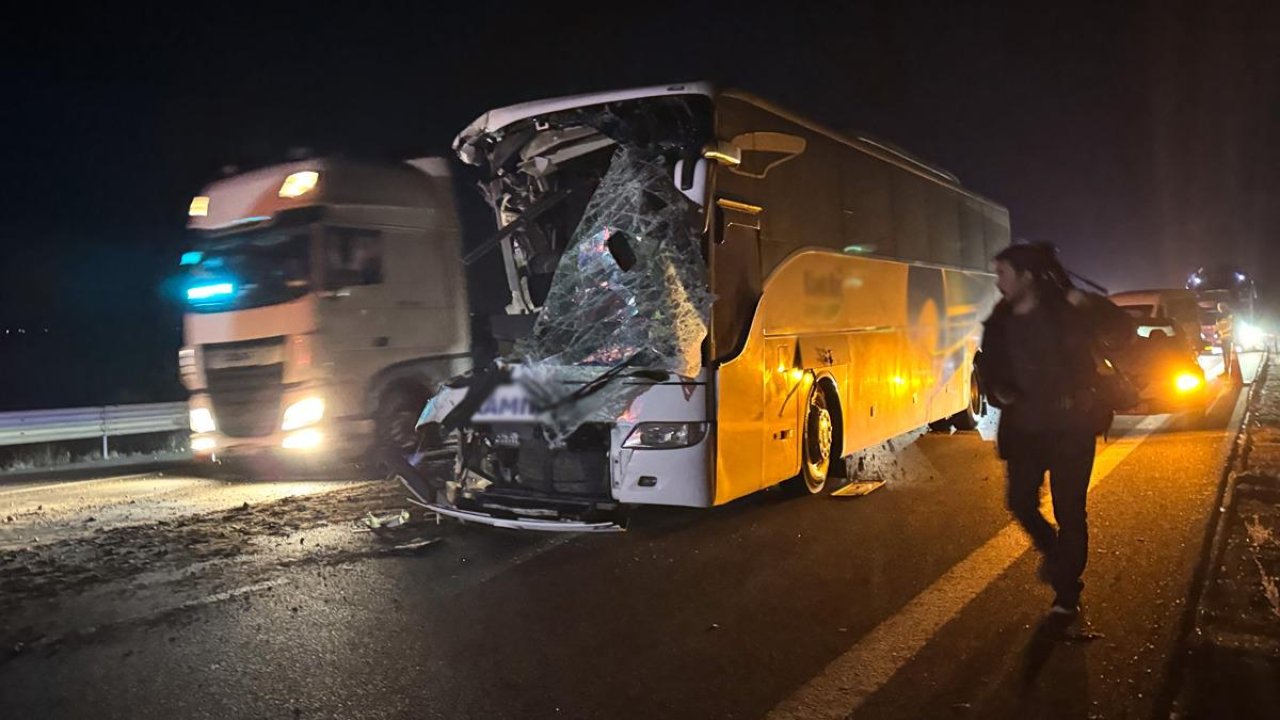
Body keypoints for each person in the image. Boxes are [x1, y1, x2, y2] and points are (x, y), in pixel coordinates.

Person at [976, 242, 1132, 616]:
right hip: (1026, 430)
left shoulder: (1066, 308)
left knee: (1070, 510)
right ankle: (1055, 551)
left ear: (1027, 276)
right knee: (1020, 503)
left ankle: (1066, 593)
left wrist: (1088, 303)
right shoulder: (1000, 319)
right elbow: (991, 366)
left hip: (1071, 429)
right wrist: (999, 390)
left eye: (1003, 273)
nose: (998, 282)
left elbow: (1123, 330)